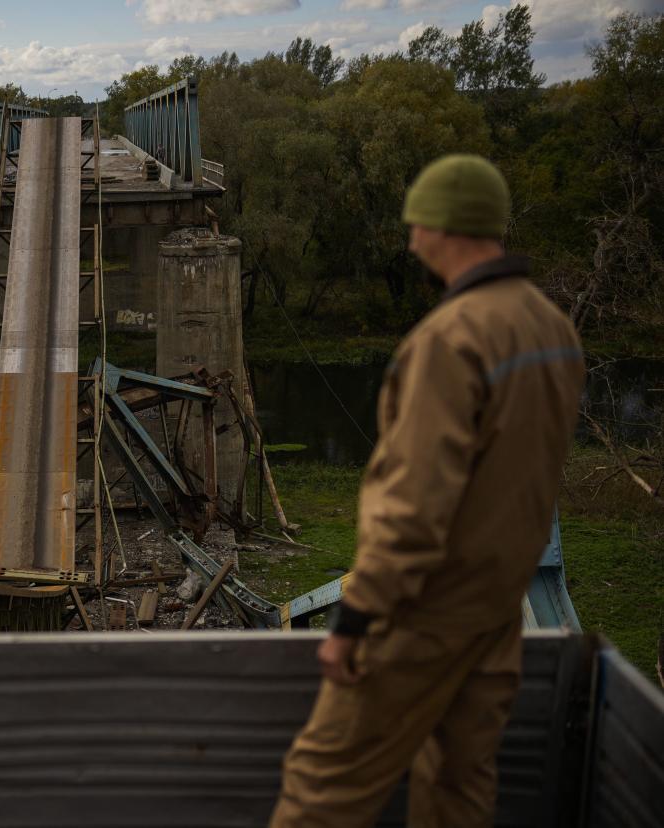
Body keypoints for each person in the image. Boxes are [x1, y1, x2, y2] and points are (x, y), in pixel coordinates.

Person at [269, 155, 585, 828]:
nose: (411, 237)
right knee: (458, 792)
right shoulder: (552, 330)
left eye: (417, 221)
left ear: (445, 226)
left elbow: (413, 505)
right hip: (496, 616)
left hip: (423, 615)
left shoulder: (451, 339)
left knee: (322, 788)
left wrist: (354, 619)